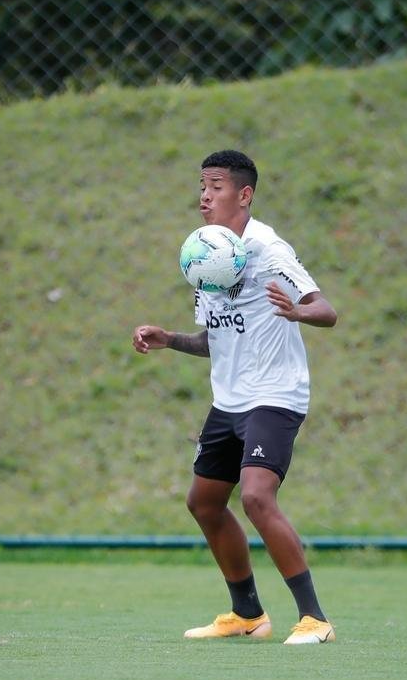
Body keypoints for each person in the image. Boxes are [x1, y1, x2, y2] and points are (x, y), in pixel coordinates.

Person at [133, 150, 337, 645]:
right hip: (230, 399)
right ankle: (247, 613)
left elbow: (326, 311)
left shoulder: (268, 251)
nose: (205, 195)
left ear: (244, 195)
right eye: (202, 184)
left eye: (216, 185)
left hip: (275, 394)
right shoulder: (207, 253)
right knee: (203, 503)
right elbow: (215, 338)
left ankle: (315, 620)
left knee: (255, 496)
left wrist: (296, 313)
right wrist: (169, 339)